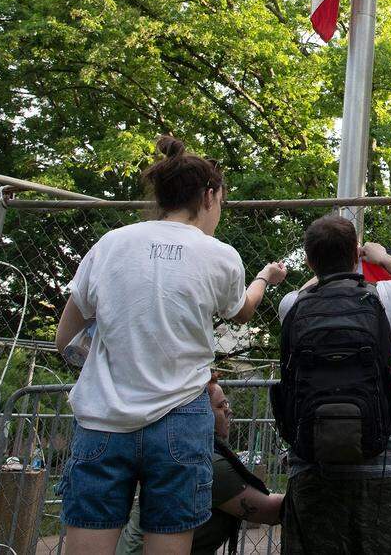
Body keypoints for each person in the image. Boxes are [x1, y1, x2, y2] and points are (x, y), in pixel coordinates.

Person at [54, 136, 287, 555]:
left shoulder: (111, 244)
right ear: (210, 195)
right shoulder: (220, 254)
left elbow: (64, 337)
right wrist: (266, 278)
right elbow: (243, 311)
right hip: (179, 419)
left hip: (103, 417)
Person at [276, 214, 391, 555]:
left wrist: (321, 269)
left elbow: (303, 289)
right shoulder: (385, 298)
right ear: (355, 255)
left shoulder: (292, 306)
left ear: (308, 260)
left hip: (310, 465)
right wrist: (382, 256)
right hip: (379, 468)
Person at [116, 372, 283, 555]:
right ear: (198, 413)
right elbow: (270, 511)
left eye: (227, 403)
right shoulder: (204, 462)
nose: (229, 410)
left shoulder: (187, 448)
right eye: (221, 406)